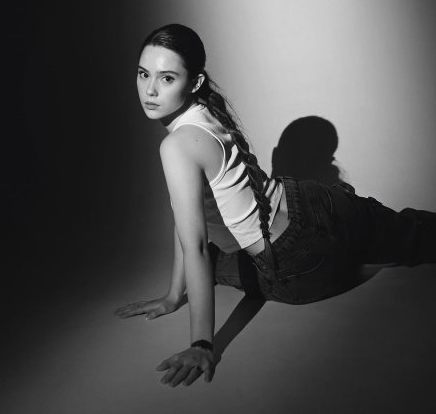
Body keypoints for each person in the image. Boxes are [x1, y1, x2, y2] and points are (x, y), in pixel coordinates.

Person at [115, 23, 436, 388]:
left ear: (195, 82)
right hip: (307, 206)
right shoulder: (202, 111)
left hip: (295, 256)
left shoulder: (176, 145)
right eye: (143, 74)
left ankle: (358, 247)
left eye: (167, 78)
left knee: (413, 238)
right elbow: (188, 218)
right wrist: (175, 295)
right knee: (413, 231)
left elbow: (197, 247)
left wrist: (202, 344)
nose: (150, 90)